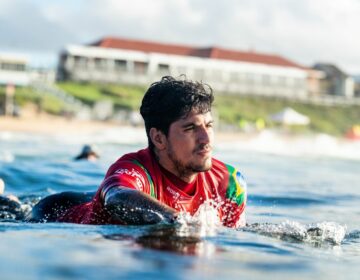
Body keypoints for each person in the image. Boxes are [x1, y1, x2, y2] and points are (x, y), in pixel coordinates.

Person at [28, 76, 247, 228]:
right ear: (159, 138)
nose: (206, 139)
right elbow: (117, 198)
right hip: (54, 213)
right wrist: (181, 222)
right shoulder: (135, 170)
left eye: (209, 126)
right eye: (190, 128)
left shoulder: (229, 184)